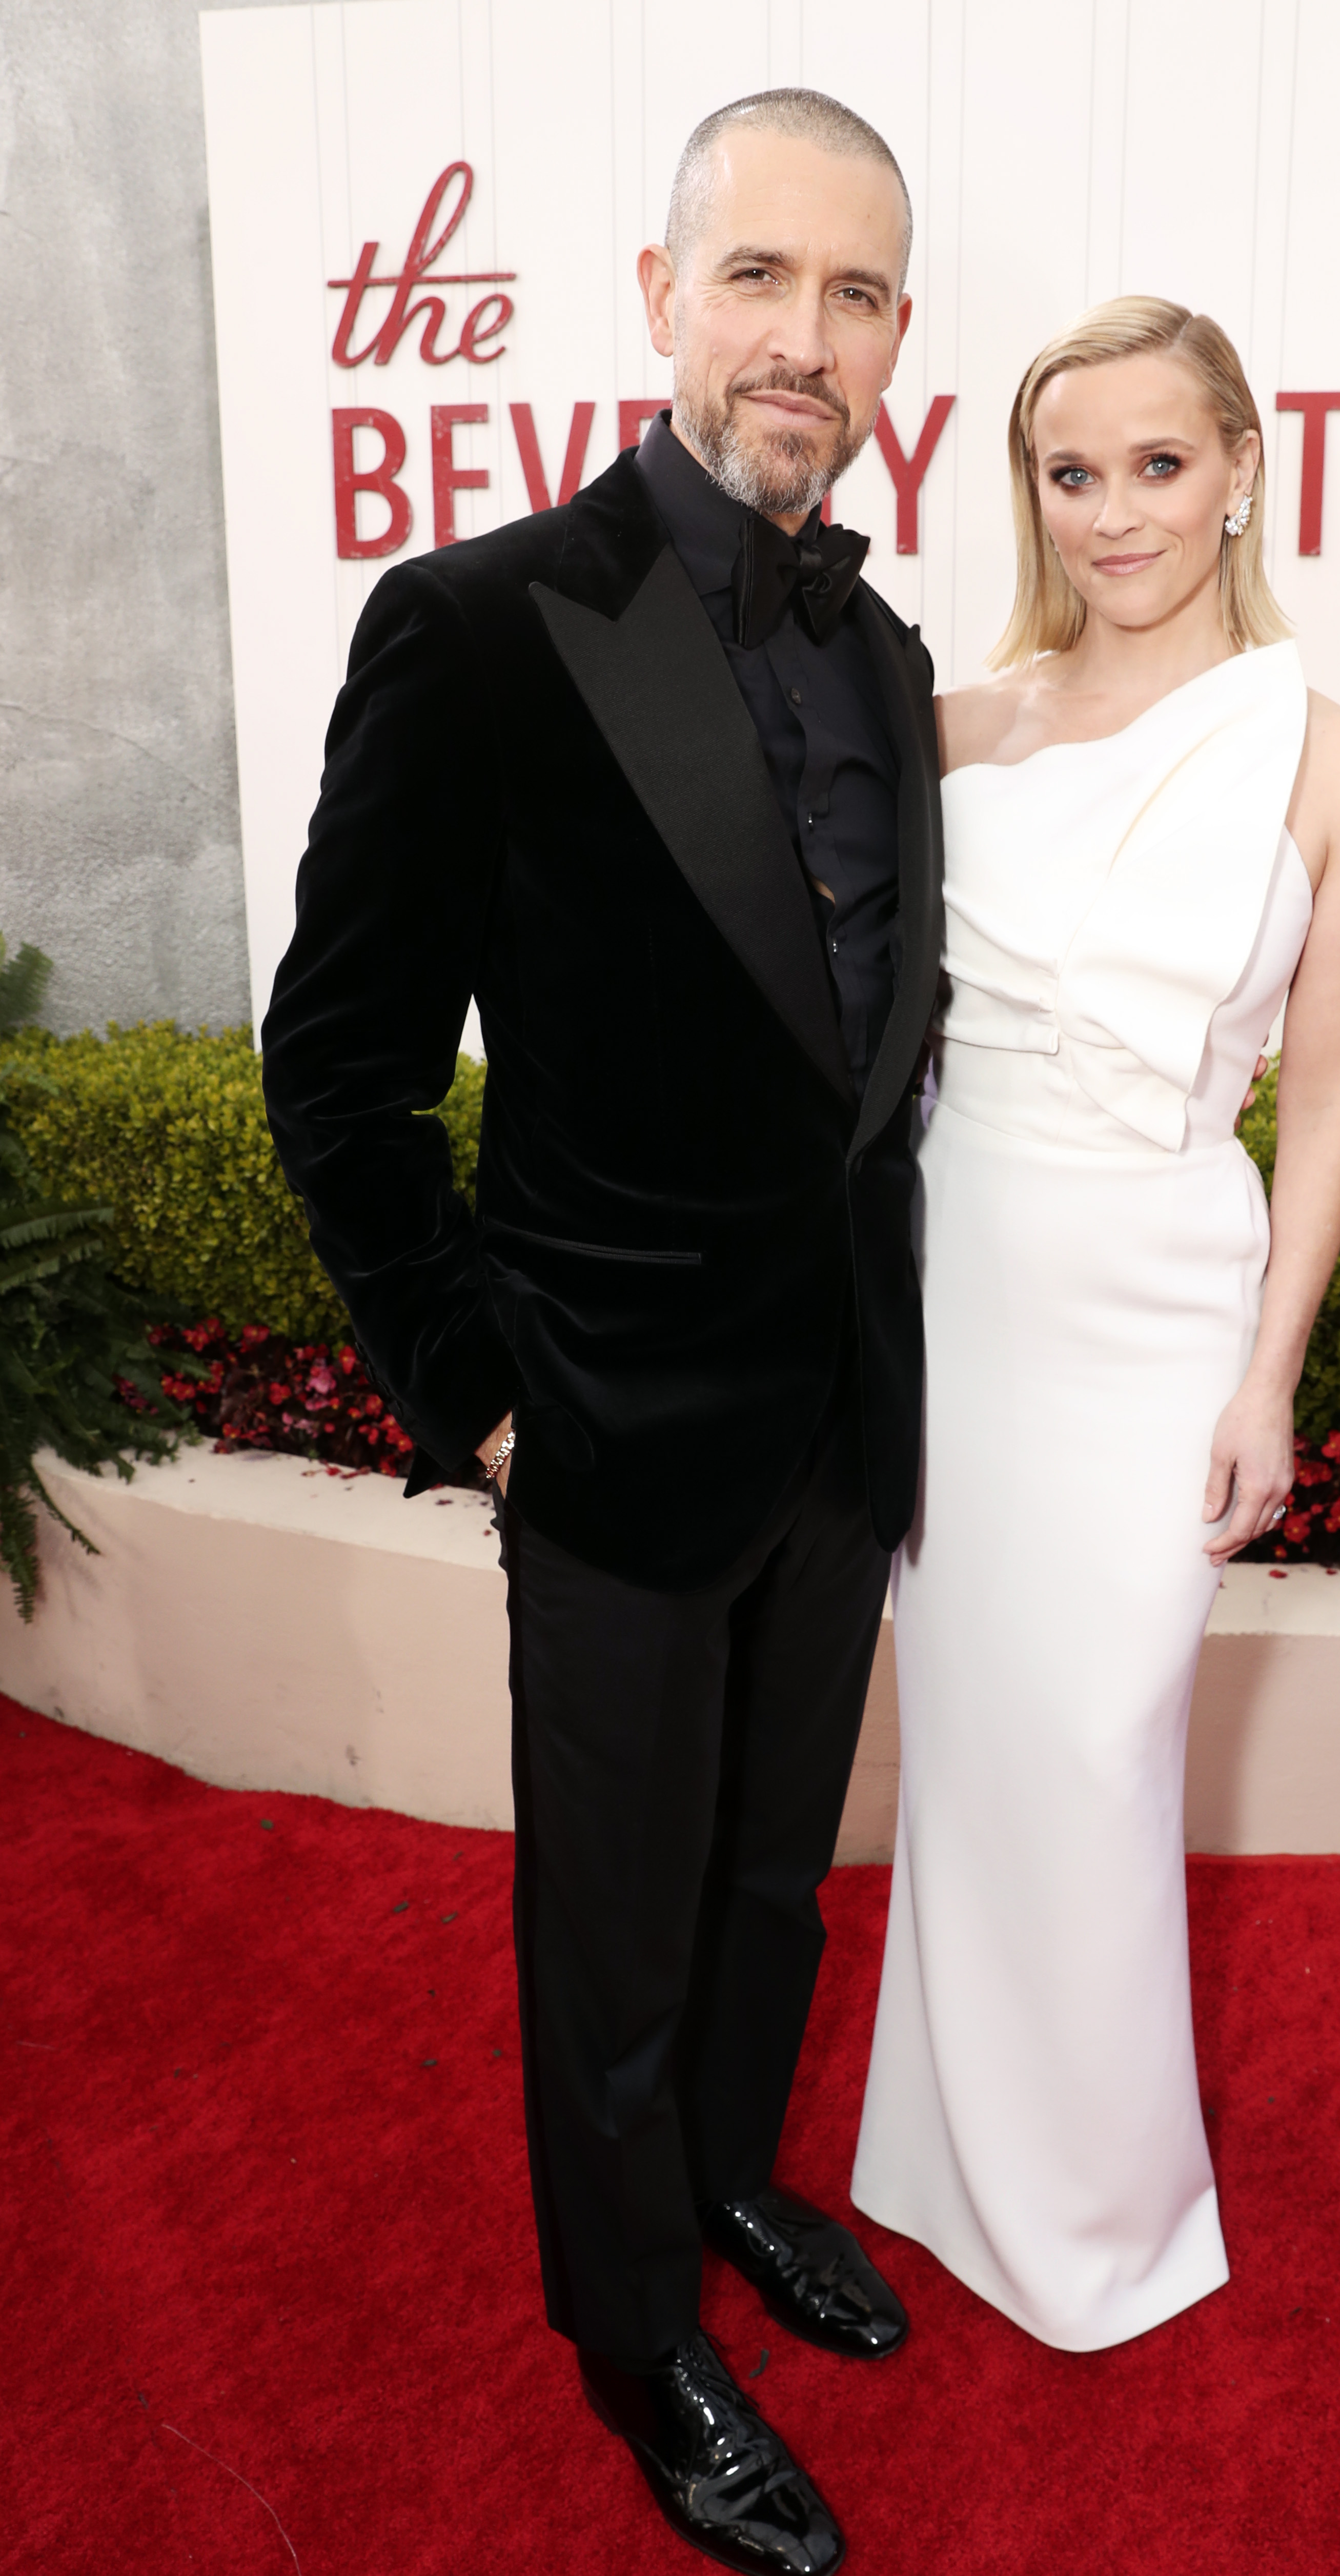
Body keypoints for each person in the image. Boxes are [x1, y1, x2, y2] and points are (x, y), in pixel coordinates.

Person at [262, 89, 941, 2576]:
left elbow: (860, 1059)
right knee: (617, 1923)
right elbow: (334, 1068)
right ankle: (633, 2330)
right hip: (612, 1426)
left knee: (772, 1887)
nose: (805, 336)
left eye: (855, 293)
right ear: (660, 293)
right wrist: (480, 1394)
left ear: (897, 341)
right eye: (759, 277)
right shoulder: (477, 628)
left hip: (839, 1421)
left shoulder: (881, 644)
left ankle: (736, 2186)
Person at [851, 298, 1340, 2349]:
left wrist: (1268, 1373)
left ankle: (1098, 2211)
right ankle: (935, 2158)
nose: (1113, 514)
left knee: (1096, 1741)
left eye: (1157, 465)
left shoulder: (1339, 764)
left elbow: (1327, 1091)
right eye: (1069, 474)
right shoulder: (960, 725)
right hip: (958, 1275)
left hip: (1164, 1287)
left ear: (1241, 468)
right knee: (978, 1744)